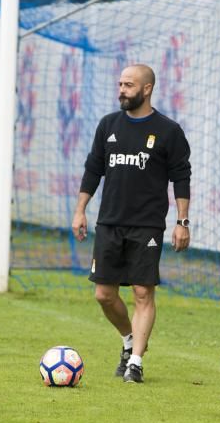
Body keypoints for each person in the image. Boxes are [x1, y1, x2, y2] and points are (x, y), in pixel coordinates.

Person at [72, 64, 192, 384]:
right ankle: (129, 340)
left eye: (128, 85)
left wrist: (182, 221)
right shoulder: (108, 125)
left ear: (147, 88)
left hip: (147, 225)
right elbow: (93, 169)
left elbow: (181, 177)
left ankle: (135, 362)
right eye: (120, 84)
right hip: (110, 222)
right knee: (103, 294)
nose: (122, 90)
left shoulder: (169, 131)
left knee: (142, 292)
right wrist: (80, 210)